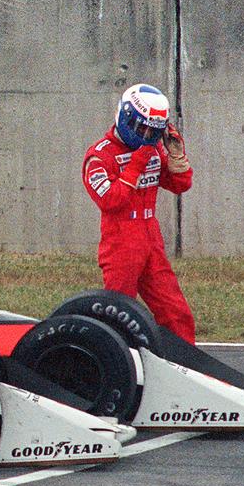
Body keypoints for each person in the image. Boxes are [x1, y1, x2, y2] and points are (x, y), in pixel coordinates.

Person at [82, 83, 196, 344]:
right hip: (121, 242)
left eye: (152, 131)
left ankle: (189, 368)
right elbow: (111, 201)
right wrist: (137, 162)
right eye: (140, 128)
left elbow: (180, 185)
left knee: (175, 311)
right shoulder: (99, 157)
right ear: (125, 116)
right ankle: (117, 361)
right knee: (118, 314)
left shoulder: (154, 147)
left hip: (151, 239)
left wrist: (177, 156)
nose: (145, 135)